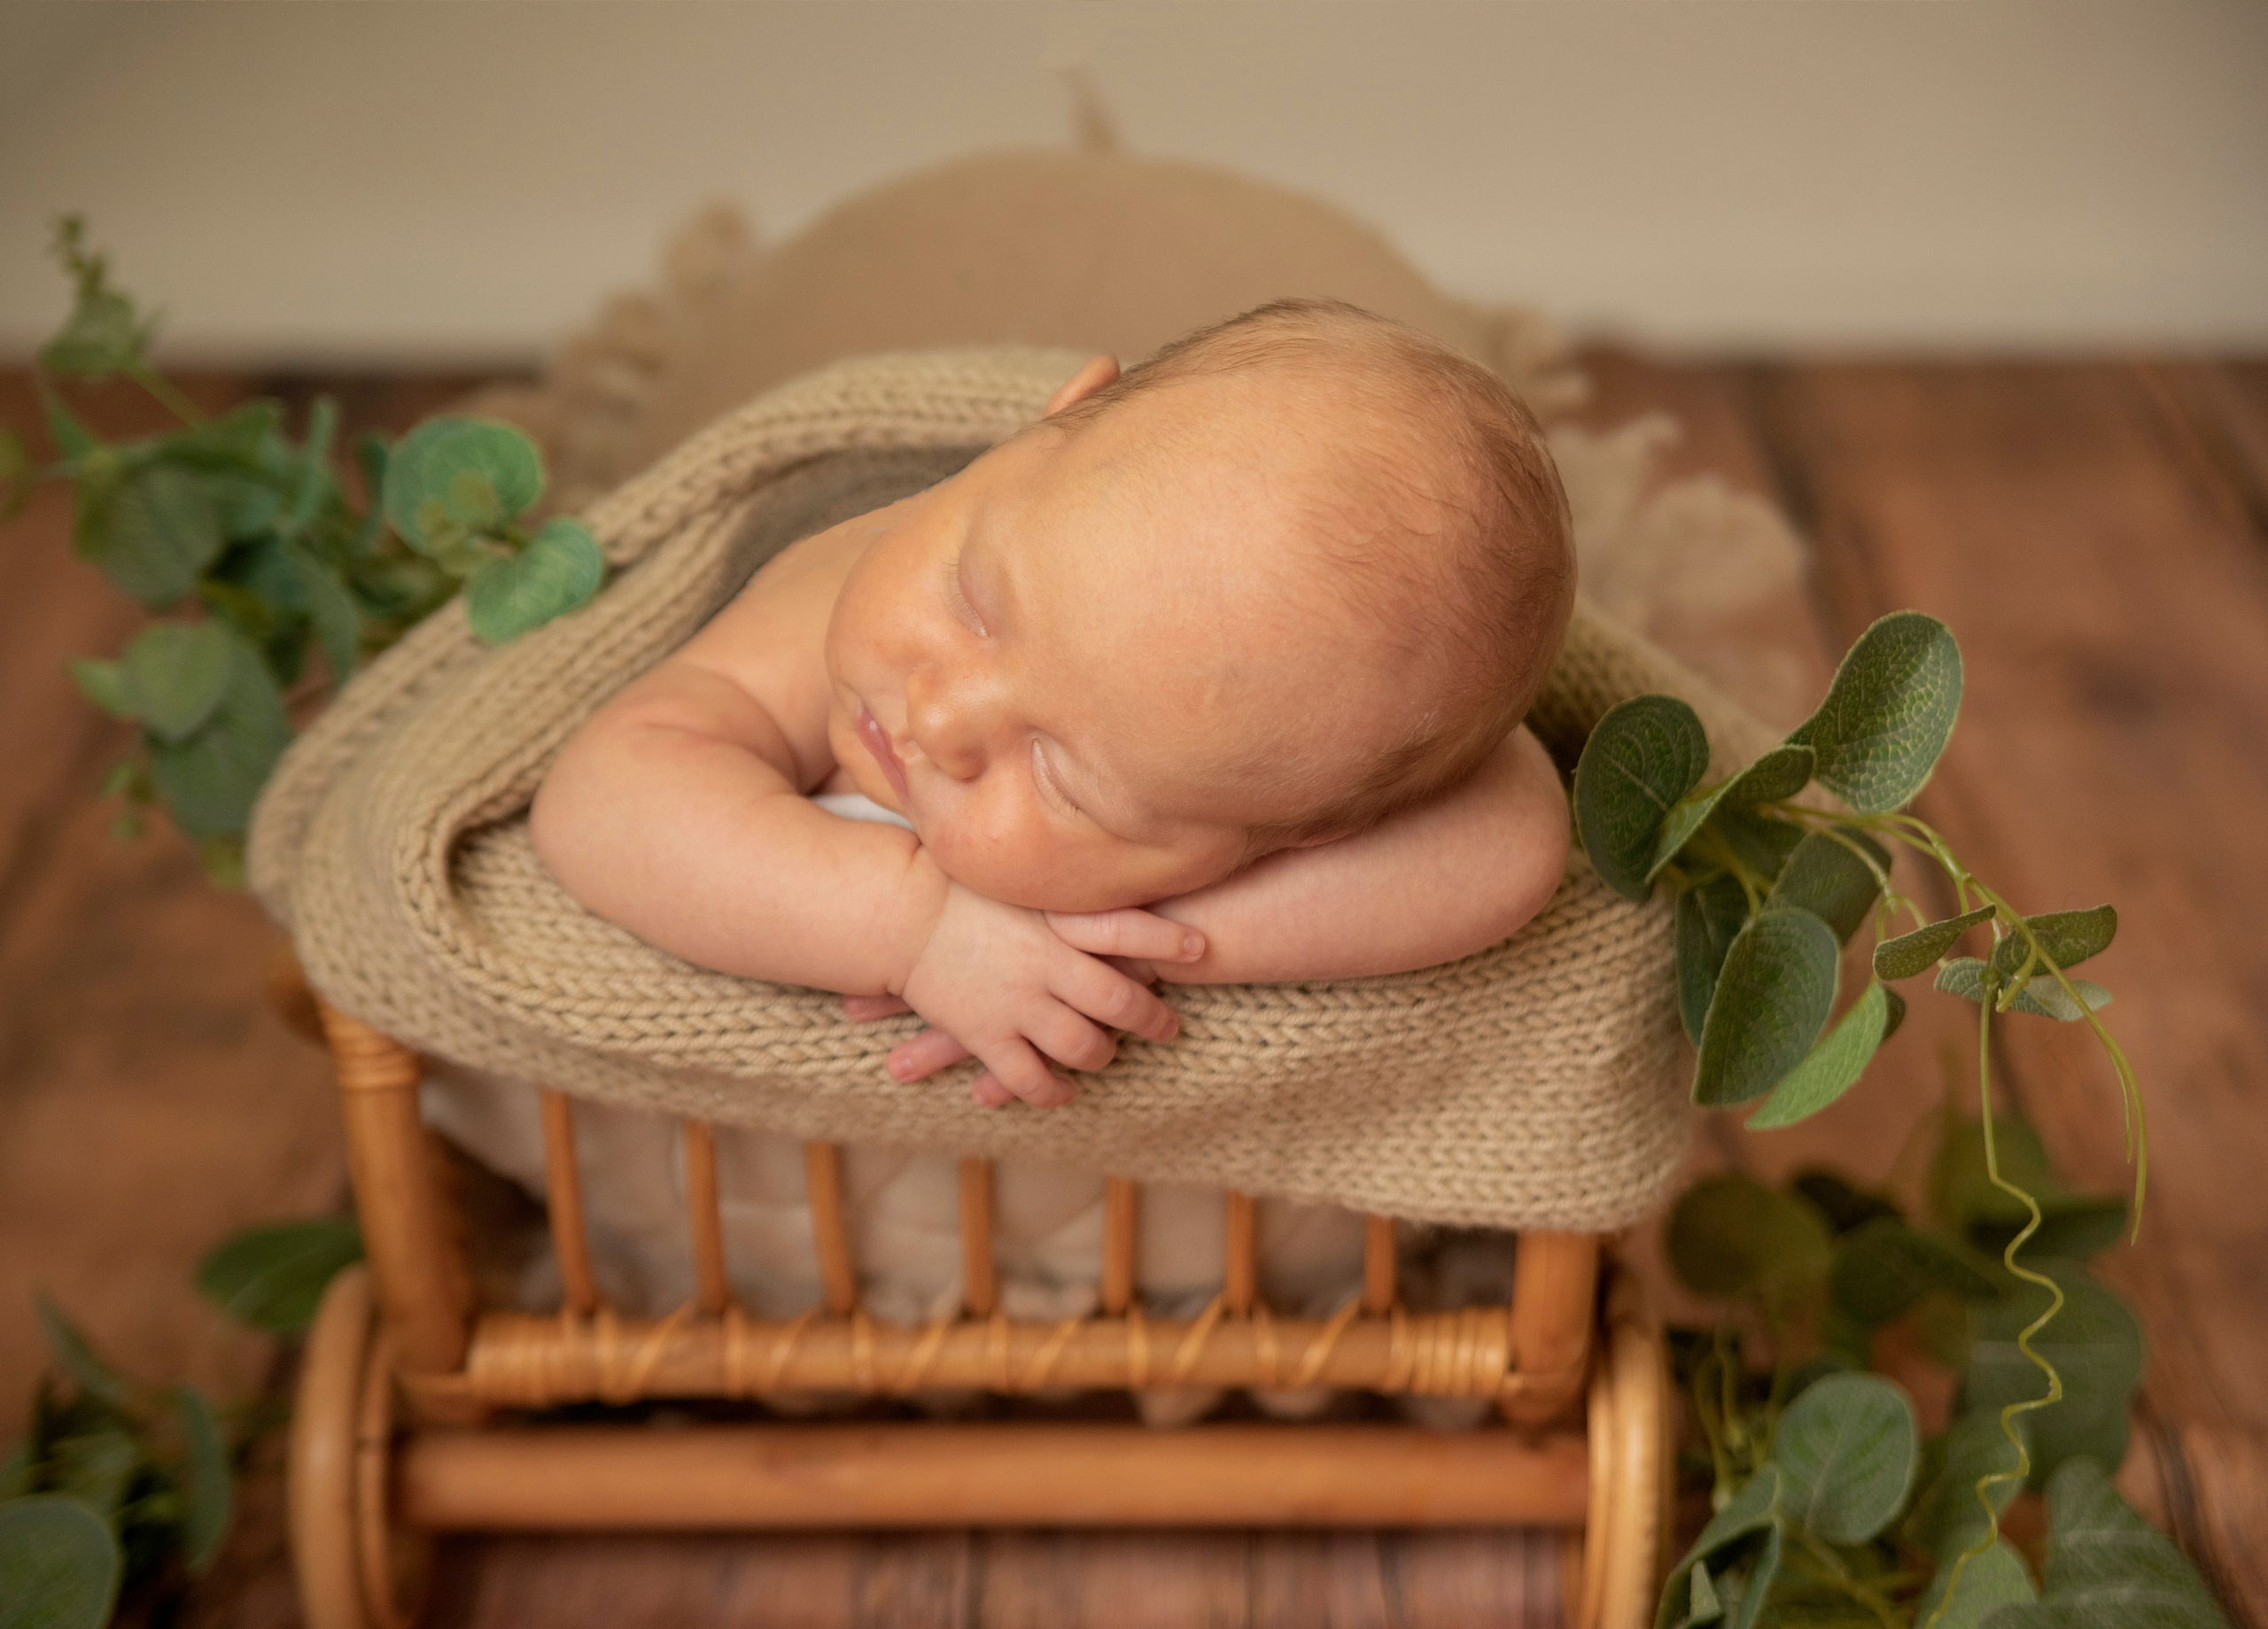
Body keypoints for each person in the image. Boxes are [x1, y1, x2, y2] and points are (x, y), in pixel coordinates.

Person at [532, 299, 1577, 1110]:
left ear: (1276, 844)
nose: (941, 719)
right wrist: (914, 922)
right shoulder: (836, 607)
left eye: (1062, 777)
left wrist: (1112, 940)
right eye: (975, 604)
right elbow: (603, 795)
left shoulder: (1254, 760)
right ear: (1056, 418)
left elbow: (1512, 841)